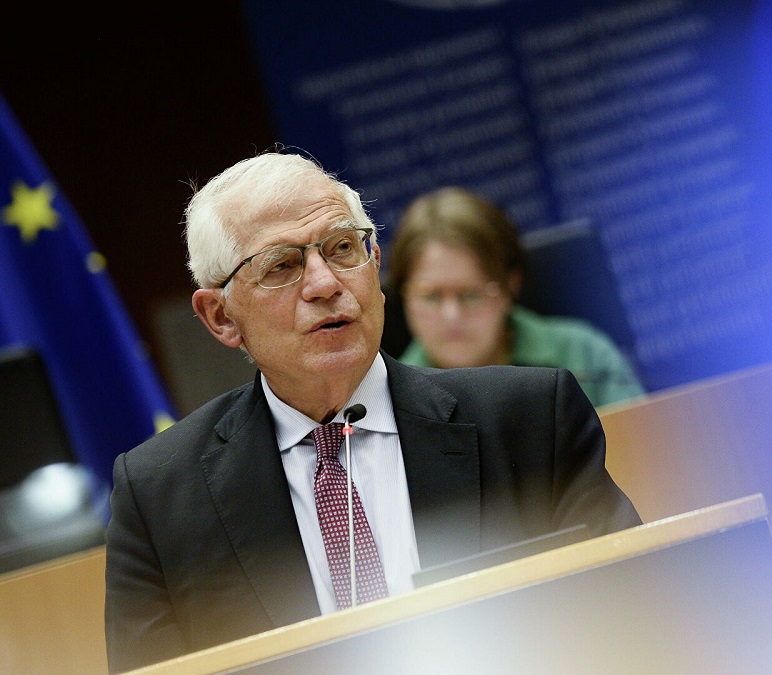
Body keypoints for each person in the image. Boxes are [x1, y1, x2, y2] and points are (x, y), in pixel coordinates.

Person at [103, 151, 641, 673]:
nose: (325, 284)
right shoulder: (159, 497)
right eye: (282, 265)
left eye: (342, 248)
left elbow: (634, 618)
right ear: (220, 316)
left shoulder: (532, 423)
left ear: (375, 263)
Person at [384, 187, 645, 409]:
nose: (452, 315)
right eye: (430, 296)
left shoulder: (583, 355)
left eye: (471, 295)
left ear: (510, 286)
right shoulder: (390, 401)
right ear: (403, 294)